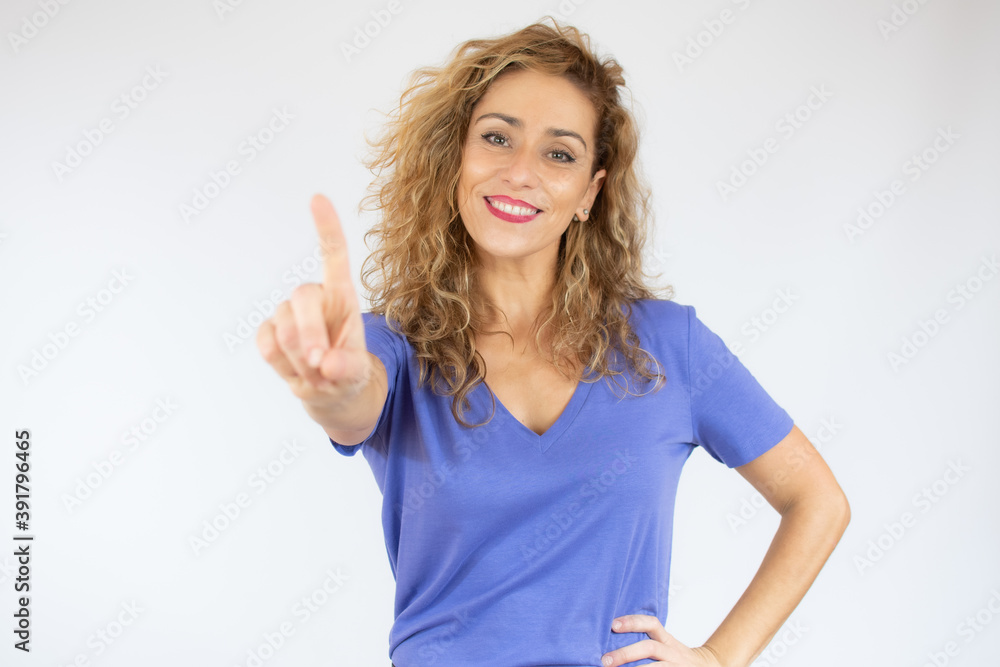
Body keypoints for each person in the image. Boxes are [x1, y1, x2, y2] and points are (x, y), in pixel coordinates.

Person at [257, 17, 850, 667]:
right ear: (457, 157)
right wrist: (334, 385)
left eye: (559, 152)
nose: (521, 172)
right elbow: (355, 398)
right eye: (497, 138)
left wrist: (718, 656)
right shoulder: (393, 346)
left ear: (590, 191)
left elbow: (817, 500)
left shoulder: (669, 346)